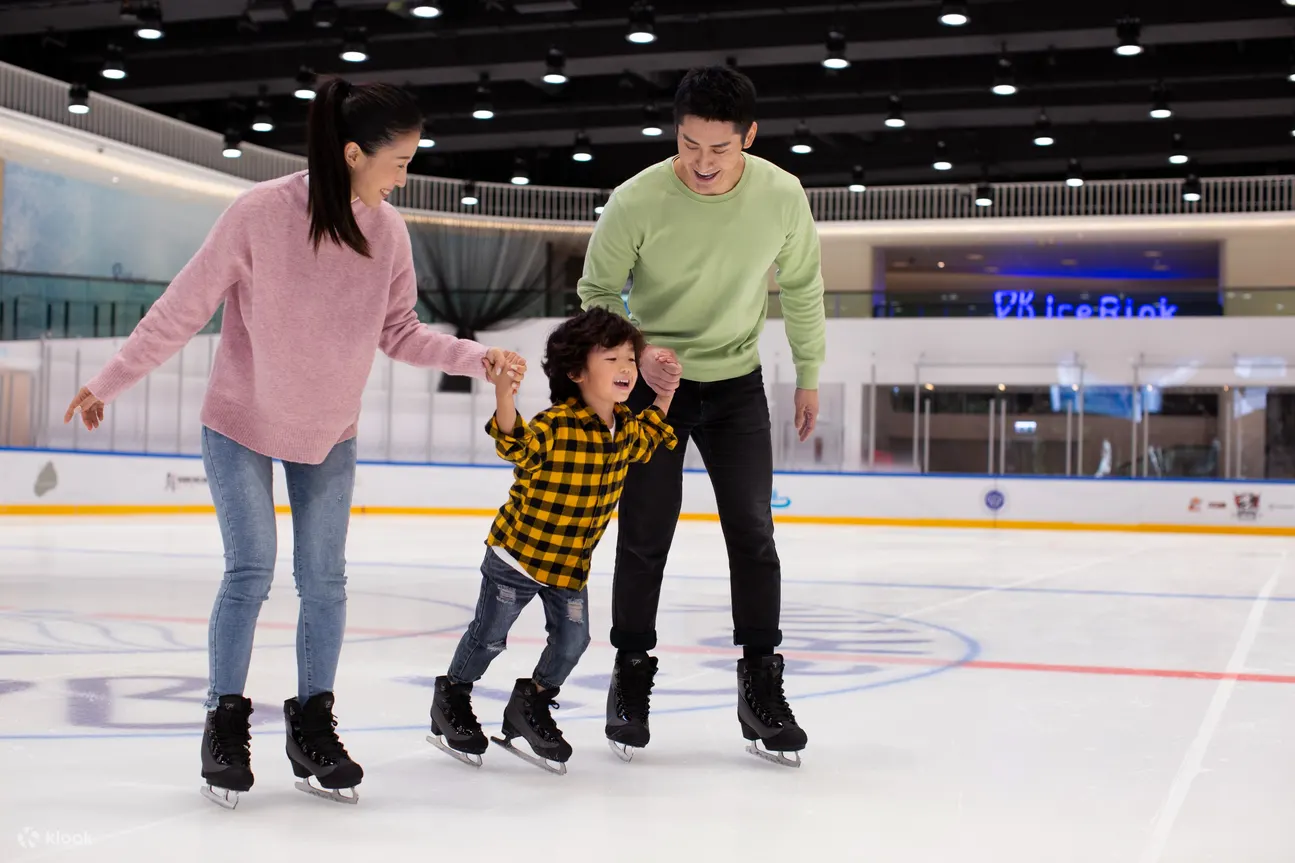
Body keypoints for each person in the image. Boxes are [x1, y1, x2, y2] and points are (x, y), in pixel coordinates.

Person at [62, 77, 526, 807]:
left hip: (327, 429)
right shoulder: (258, 214)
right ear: (351, 153)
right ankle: (223, 719)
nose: (406, 172)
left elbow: (398, 331)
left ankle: (312, 722)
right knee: (250, 569)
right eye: (399, 159)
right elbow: (181, 308)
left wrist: (476, 357)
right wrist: (111, 379)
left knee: (325, 580)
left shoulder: (388, 232)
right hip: (240, 418)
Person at [576, 65, 826, 767]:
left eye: (719, 149)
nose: (703, 163)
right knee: (644, 533)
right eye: (689, 145)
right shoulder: (636, 199)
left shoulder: (780, 195)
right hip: (653, 391)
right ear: (675, 133)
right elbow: (595, 289)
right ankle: (630, 676)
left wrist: (808, 372)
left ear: (749, 135)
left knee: (752, 532)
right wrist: (638, 352)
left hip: (737, 383)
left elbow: (802, 285)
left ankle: (760, 685)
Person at [425, 306, 678, 774]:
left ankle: (532, 702)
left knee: (573, 641)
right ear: (578, 372)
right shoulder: (557, 423)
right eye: (611, 360)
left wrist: (663, 394)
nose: (625, 369)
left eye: (629, 359)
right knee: (489, 638)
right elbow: (514, 444)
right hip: (517, 558)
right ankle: (453, 697)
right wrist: (505, 393)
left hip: (569, 566)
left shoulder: (623, 428)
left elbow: (651, 437)